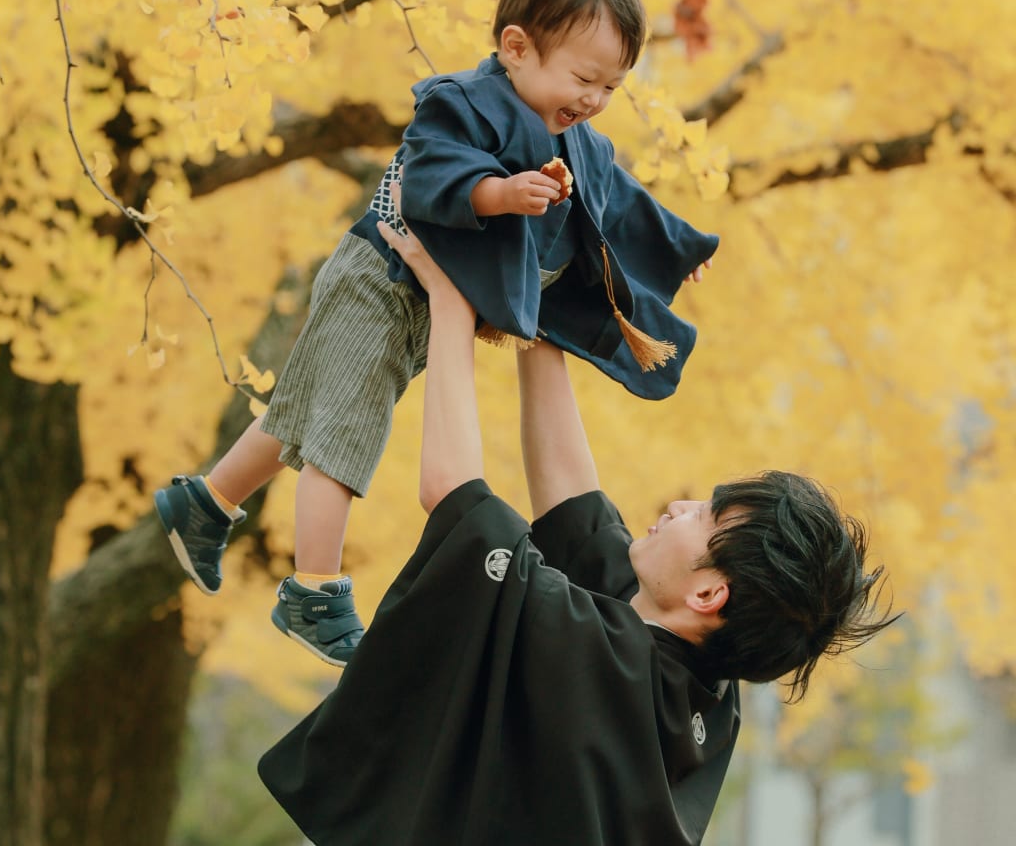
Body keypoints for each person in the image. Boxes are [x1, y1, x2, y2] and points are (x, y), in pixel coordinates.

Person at [256, 185, 896, 846]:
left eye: (701, 517)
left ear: (709, 592)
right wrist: (535, 296)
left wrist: (451, 303)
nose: (676, 507)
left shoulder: (602, 663)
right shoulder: (701, 686)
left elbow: (454, 493)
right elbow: (571, 496)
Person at [153, 0, 718, 667]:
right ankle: (313, 588)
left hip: (422, 300)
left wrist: (680, 247)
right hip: (381, 278)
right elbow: (430, 175)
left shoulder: (576, 140)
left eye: (610, 86)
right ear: (516, 47)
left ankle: (204, 504)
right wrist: (501, 193)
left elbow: (622, 203)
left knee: (309, 402)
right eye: (583, 78)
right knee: (346, 426)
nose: (593, 101)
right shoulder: (462, 102)